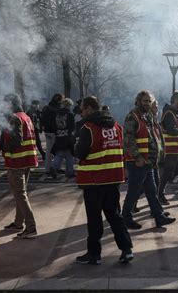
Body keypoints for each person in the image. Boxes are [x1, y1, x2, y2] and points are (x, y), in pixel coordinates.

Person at [75, 96, 133, 265]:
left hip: (94, 180)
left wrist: (75, 146)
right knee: (115, 215)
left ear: (90, 109)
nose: (81, 112)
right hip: (113, 178)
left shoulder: (88, 128)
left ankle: (94, 254)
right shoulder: (116, 126)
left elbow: (80, 153)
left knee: (94, 218)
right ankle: (127, 249)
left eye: (82, 108)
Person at [121, 90, 175, 230]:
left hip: (148, 162)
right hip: (138, 162)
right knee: (133, 191)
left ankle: (159, 216)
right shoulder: (132, 117)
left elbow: (154, 138)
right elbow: (128, 140)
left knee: (151, 191)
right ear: (138, 101)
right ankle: (126, 217)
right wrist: (137, 157)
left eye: (149, 101)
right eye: (145, 101)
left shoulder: (148, 116)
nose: (147, 103)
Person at [1, 94, 38, 239]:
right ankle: (18, 223)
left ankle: (31, 227)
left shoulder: (14, 118)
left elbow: (16, 139)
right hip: (27, 159)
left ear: (10, 104)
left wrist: (5, 149)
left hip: (17, 161)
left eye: (5, 103)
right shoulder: (25, 116)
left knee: (20, 194)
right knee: (20, 193)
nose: (3, 106)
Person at [51, 98, 75, 179]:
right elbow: (72, 127)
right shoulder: (70, 114)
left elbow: (54, 126)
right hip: (67, 137)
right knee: (69, 155)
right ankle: (70, 172)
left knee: (59, 154)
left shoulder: (56, 114)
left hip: (58, 137)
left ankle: (54, 167)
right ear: (68, 106)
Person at [41, 93, 64, 174]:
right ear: (59, 100)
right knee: (58, 150)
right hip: (54, 132)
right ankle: (56, 168)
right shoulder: (58, 109)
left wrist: (42, 128)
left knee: (48, 151)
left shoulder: (46, 108)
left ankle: (47, 169)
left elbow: (42, 120)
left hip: (47, 131)